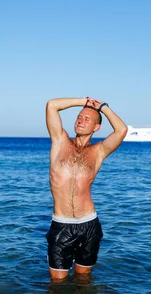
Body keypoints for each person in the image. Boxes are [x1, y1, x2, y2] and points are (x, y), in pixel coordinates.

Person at [45, 97, 128, 281]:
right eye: (79, 117)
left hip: (89, 225)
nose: (80, 120)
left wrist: (102, 108)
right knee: (57, 283)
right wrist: (84, 101)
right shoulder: (60, 141)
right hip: (61, 225)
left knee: (84, 282)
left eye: (87, 119)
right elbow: (52, 105)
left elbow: (122, 130)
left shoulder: (98, 152)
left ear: (96, 128)